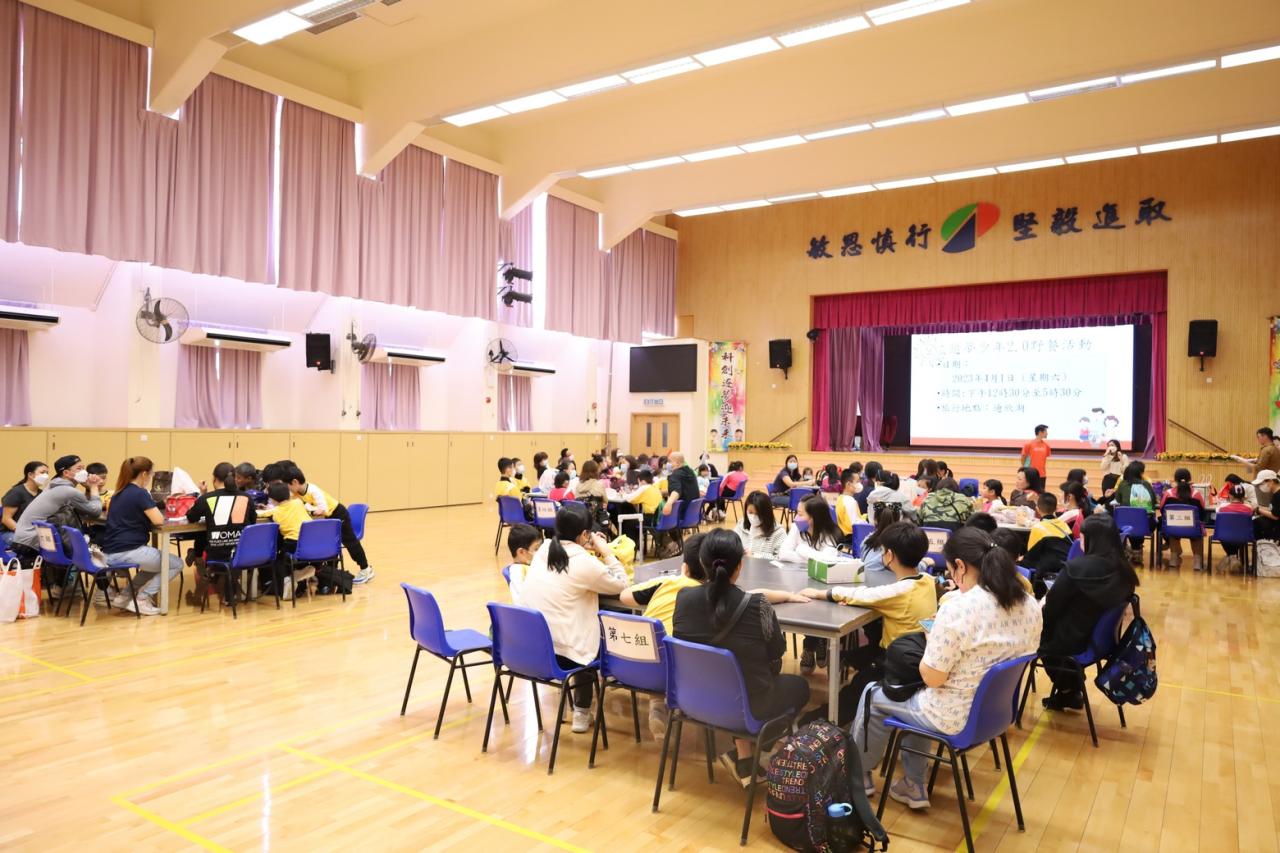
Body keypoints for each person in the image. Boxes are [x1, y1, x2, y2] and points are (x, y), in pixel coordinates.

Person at [851, 527, 1041, 809]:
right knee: (914, 695)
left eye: (951, 570)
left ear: (960, 567)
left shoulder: (959, 608)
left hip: (952, 716)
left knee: (872, 694)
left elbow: (932, 678)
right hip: (994, 715)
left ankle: (856, 779)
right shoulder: (1029, 604)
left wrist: (933, 638)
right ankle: (913, 786)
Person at [673, 529, 811, 785]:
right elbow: (777, 651)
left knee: (736, 678)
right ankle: (759, 748)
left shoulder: (683, 599)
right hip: (746, 706)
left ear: (702, 562)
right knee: (800, 686)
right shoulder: (758, 605)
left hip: (693, 700)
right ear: (739, 566)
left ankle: (745, 758)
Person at [520, 503, 629, 733]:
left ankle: (577, 706)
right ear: (584, 534)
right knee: (605, 629)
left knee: (575, 625)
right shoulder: (585, 563)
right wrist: (606, 551)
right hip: (567, 654)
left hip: (535, 648)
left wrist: (585, 545)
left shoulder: (544, 549)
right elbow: (622, 584)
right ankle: (581, 710)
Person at [1038, 515, 1139, 710]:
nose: (1080, 541)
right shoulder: (1125, 571)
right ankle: (1071, 688)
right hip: (1103, 642)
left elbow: (1051, 608)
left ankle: (1068, 689)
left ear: (1092, 540)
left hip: (1072, 642)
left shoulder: (1075, 569)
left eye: (1082, 537)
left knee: (1038, 634)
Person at [801, 520, 936, 661]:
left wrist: (819, 593)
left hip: (895, 659)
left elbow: (861, 595)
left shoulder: (898, 591)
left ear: (889, 555)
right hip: (919, 653)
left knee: (850, 660)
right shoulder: (928, 580)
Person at [97, 457, 183, 616]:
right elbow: (159, 520)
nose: (150, 478)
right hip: (129, 550)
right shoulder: (140, 493)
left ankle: (124, 597)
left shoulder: (118, 493)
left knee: (154, 566)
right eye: (151, 474)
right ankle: (142, 598)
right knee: (175, 564)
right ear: (144, 474)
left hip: (110, 551)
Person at [11, 456, 104, 574]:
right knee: (90, 545)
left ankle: (66, 584)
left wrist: (88, 488)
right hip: (31, 543)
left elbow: (82, 509)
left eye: (84, 468)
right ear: (66, 473)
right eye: (79, 468)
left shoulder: (53, 485)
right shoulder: (67, 490)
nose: (84, 472)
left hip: (24, 540)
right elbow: (95, 511)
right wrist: (94, 487)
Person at [285, 466, 374, 584]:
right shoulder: (296, 494)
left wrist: (308, 507)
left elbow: (323, 509)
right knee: (330, 544)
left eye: (287, 486)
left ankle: (366, 569)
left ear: (295, 482)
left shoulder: (313, 490)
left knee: (350, 541)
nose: (287, 489)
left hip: (338, 514)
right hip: (326, 519)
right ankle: (333, 573)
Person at [185, 462, 257, 605]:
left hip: (217, 554)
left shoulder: (207, 498)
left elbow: (191, 517)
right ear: (235, 478)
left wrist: (202, 495)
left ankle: (197, 558)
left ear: (214, 479)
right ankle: (229, 593)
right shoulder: (246, 498)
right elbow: (252, 521)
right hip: (241, 553)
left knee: (205, 535)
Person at [1159, 467, 1205, 571]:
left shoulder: (1168, 494)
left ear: (1175, 479)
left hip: (1173, 529)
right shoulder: (1196, 494)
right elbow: (1202, 513)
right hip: (1193, 529)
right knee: (1197, 528)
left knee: (1172, 526)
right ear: (1189, 479)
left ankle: (1174, 559)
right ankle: (1197, 562)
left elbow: (1162, 510)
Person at [1022, 493, 1072, 586]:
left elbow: (1031, 554)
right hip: (1066, 567)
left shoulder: (1038, 527)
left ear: (1037, 509)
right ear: (1056, 508)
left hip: (1048, 569)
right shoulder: (1064, 525)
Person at [1115, 459, 1157, 559]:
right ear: (1140, 473)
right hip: (1145, 525)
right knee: (1142, 519)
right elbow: (1153, 502)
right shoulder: (1146, 484)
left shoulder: (1122, 484)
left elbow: (1117, 500)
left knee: (1132, 519)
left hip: (1124, 524)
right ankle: (1137, 550)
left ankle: (1133, 549)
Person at [2, 461, 48, 547]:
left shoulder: (41, 494)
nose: (46, 476)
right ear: (30, 475)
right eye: (42, 472)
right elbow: (6, 519)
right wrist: (24, 534)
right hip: (10, 533)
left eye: (47, 473)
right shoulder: (16, 492)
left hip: (33, 533)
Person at [736, 490, 786, 558]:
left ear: (766, 513)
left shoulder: (778, 532)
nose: (753, 517)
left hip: (763, 565)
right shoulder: (741, 525)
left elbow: (780, 558)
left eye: (757, 514)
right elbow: (731, 545)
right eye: (750, 512)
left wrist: (756, 556)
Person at [620, 468, 662, 546]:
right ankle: (637, 545)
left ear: (641, 481)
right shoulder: (655, 488)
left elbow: (631, 499)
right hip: (657, 518)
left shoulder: (644, 488)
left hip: (649, 519)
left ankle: (632, 546)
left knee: (628, 523)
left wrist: (623, 494)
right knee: (633, 521)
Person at [502, 523, 541, 605]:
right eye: (536, 549)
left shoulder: (515, 568)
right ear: (521, 552)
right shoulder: (525, 573)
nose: (540, 552)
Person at [834, 468, 865, 540]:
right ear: (848, 484)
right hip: (851, 538)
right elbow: (854, 525)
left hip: (844, 536)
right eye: (857, 481)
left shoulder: (841, 498)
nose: (859, 484)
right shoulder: (850, 501)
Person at [1250, 469, 1279, 542]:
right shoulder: (1275, 493)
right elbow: (1274, 510)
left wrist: (1258, 510)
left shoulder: (1278, 495)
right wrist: (1258, 508)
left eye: (1262, 484)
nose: (1260, 487)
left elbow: (1275, 516)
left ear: (1271, 481)